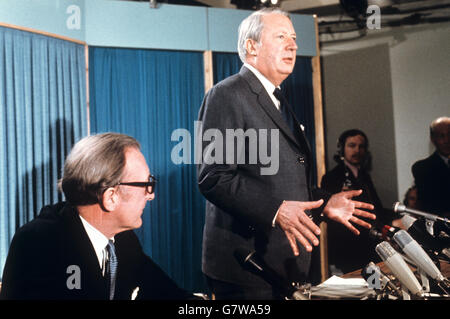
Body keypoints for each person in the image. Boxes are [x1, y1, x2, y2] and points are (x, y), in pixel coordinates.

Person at [197, 8, 375, 300]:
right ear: (251, 46)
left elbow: (284, 184)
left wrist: (324, 204)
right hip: (247, 269)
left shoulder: (277, 98)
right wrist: (276, 211)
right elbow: (214, 177)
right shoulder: (227, 94)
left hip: (282, 266)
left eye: (293, 37)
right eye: (281, 36)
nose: (293, 45)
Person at [0, 133, 195, 300]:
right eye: (146, 185)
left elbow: (170, 295)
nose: (151, 195)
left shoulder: (124, 241)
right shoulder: (38, 242)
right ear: (110, 197)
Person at [321, 129, 394, 274]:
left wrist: (394, 221)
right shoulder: (332, 177)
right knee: (354, 292)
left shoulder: (364, 176)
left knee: (374, 289)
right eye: (352, 145)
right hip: (347, 249)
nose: (357, 150)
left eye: (361, 146)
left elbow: (375, 208)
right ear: (342, 149)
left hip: (369, 246)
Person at [412, 116, 450, 218]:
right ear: (433, 139)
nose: (446, 140)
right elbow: (430, 205)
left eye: (449, 134)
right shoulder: (422, 168)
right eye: (441, 136)